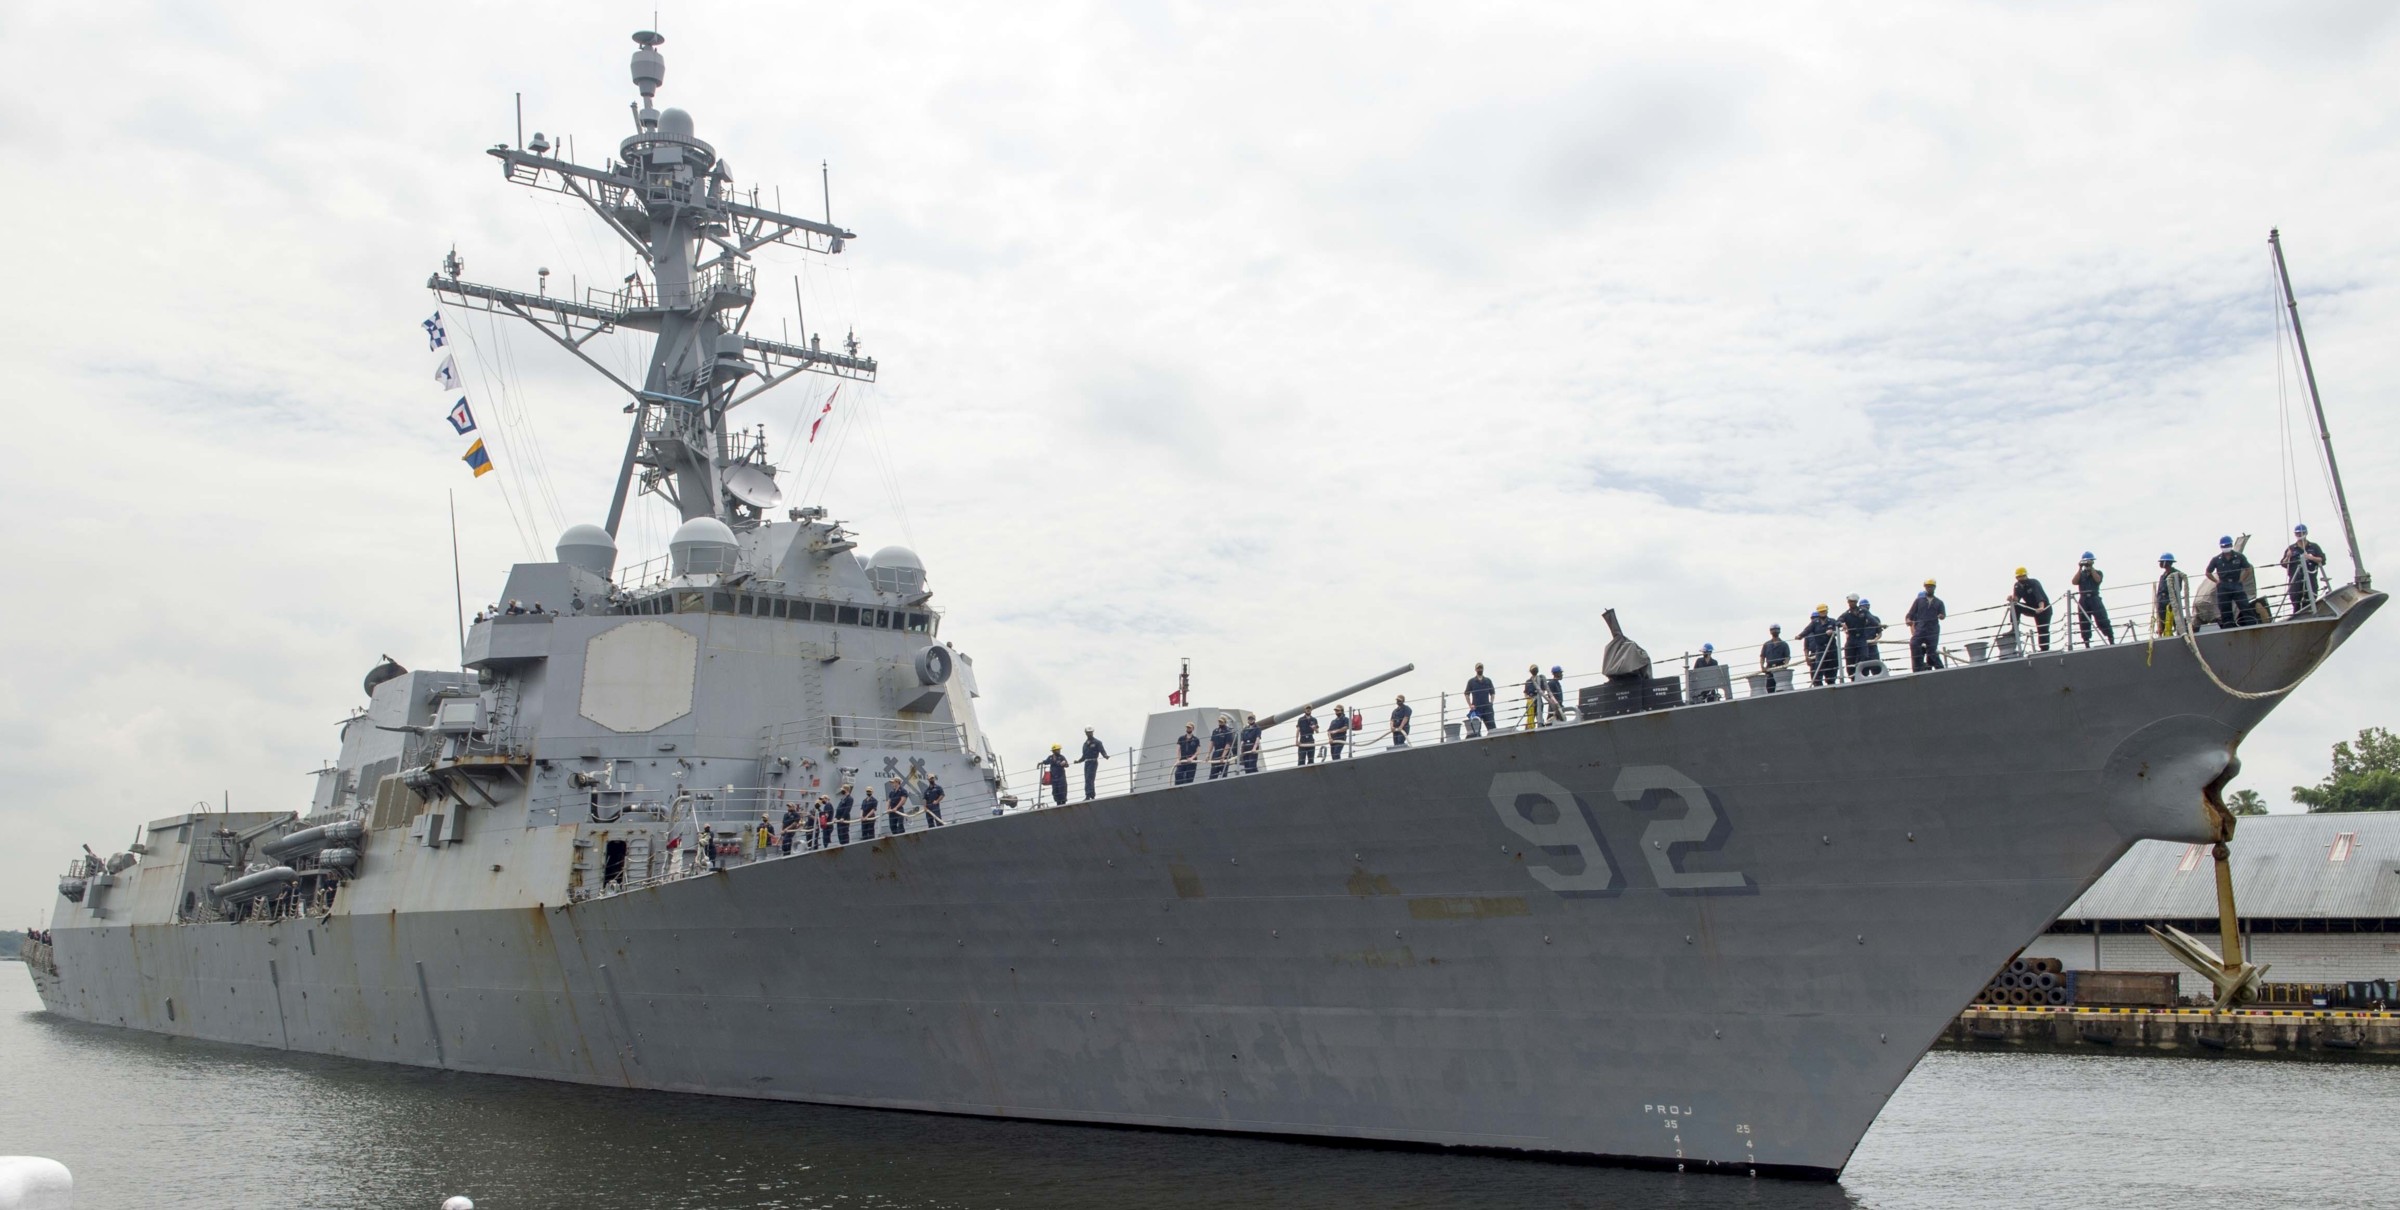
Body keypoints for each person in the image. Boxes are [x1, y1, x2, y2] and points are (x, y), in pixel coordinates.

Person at [2204, 537, 2256, 627]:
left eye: (2227, 545)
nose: (2225, 547)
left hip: (2236, 584)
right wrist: (2216, 581)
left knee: (2244, 605)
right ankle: (2229, 627)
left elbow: (2248, 569)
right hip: (2223, 585)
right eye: (2223, 546)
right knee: (2225, 609)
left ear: (2231, 545)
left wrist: (2241, 580)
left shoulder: (2239, 557)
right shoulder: (2216, 559)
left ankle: (2251, 625)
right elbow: (2208, 572)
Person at [2282, 524, 2328, 612]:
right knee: (2295, 599)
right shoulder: (2291, 548)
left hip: (2310, 577)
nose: (2299, 535)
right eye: (2297, 533)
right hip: (2295, 578)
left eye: (2301, 533)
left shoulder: (2314, 547)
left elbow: (2322, 559)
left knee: (2311, 597)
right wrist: (2287, 557)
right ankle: (2297, 616)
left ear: (2306, 533)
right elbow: (2283, 564)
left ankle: (2310, 614)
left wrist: (2311, 558)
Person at [2071, 553, 2114, 646]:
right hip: (2083, 599)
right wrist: (2079, 568)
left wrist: (2091, 568)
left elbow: (2098, 580)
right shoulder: (2081, 575)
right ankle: (2086, 642)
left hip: (2094, 598)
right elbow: (2074, 582)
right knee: (2084, 622)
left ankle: (2111, 639)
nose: (2086, 564)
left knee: (2102, 618)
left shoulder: (2098, 572)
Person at [1905, 580, 1946, 671]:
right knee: (1914, 644)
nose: (1929, 588)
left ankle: (1940, 670)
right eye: (1927, 587)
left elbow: (1943, 614)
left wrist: (1941, 616)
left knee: (1932, 652)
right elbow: (1910, 614)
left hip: (1933, 630)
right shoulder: (1919, 601)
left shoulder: (1939, 602)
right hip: (1920, 629)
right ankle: (1918, 669)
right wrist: (1908, 620)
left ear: (1934, 588)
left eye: (1931, 586)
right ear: (1925, 588)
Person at [2009, 567, 2053, 651]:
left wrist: (2041, 607)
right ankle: (2014, 628)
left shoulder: (2033, 583)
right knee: (2015, 606)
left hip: (2044, 609)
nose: (2021, 578)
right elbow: (2017, 599)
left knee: (2042, 629)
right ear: (2017, 577)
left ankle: (2044, 649)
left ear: (2026, 576)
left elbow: (2039, 596)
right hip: (2031, 607)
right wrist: (2012, 599)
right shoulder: (2017, 585)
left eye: (2023, 576)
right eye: (2019, 577)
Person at [1797, 605, 1839, 687]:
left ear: (1827, 611)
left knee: (1832, 669)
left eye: (1824, 611)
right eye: (1821, 612)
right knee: (1818, 671)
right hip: (1820, 649)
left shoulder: (1832, 621)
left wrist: (1833, 630)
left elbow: (1837, 625)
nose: (1823, 613)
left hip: (1831, 649)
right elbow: (1807, 630)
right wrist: (1800, 636)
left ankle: (1831, 684)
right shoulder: (1815, 623)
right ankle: (1818, 686)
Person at [2154, 554, 2187, 637]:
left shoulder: (2176, 574)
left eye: (2161, 562)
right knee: (2163, 624)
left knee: (2178, 622)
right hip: (2162, 603)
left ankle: (2183, 635)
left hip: (2171, 603)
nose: (2160, 564)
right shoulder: (2163, 576)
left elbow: (2177, 589)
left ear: (2166, 563)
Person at [1463, 664, 1497, 736]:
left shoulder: (1488, 681)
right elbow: (1466, 694)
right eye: (1478, 668)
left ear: (1483, 669)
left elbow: (1492, 693)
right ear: (1475, 670)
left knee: (1492, 729)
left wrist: (1491, 703)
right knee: (1475, 731)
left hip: (1487, 707)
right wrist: (1470, 705)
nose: (1480, 670)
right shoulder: (1471, 681)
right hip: (1476, 708)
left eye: (1481, 668)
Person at [1079, 728, 1109, 801]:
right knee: (1087, 779)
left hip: (1093, 761)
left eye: (1091, 732)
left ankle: (1089, 795)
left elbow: (1102, 751)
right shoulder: (1085, 744)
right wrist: (1078, 761)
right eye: (1088, 732)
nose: (1090, 733)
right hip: (1087, 762)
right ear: (1086, 733)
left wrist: (1105, 756)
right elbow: (1084, 756)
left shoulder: (1097, 742)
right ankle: (1090, 794)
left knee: (1090, 778)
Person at [1759, 624, 1791, 692]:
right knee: (1770, 688)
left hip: (1780, 669)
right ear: (1770, 632)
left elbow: (1787, 657)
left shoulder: (1784, 644)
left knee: (1781, 688)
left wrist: (1785, 666)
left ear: (1779, 631)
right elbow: (1762, 656)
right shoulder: (1766, 644)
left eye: (1776, 629)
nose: (1775, 631)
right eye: (1773, 630)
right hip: (1769, 669)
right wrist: (1762, 666)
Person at [1208, 715, 1235, 780]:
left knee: (1223, 774)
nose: (1220, 723)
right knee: (1213, 774)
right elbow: (1212, 742)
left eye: (1221, 722)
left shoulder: (1228, 731)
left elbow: (1228, 744)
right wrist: (1208, 754)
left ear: (1225, 722)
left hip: (1224, 753)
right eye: (1219, 721)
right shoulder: (1215, 731)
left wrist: (1223, 756)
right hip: (1216, 753)